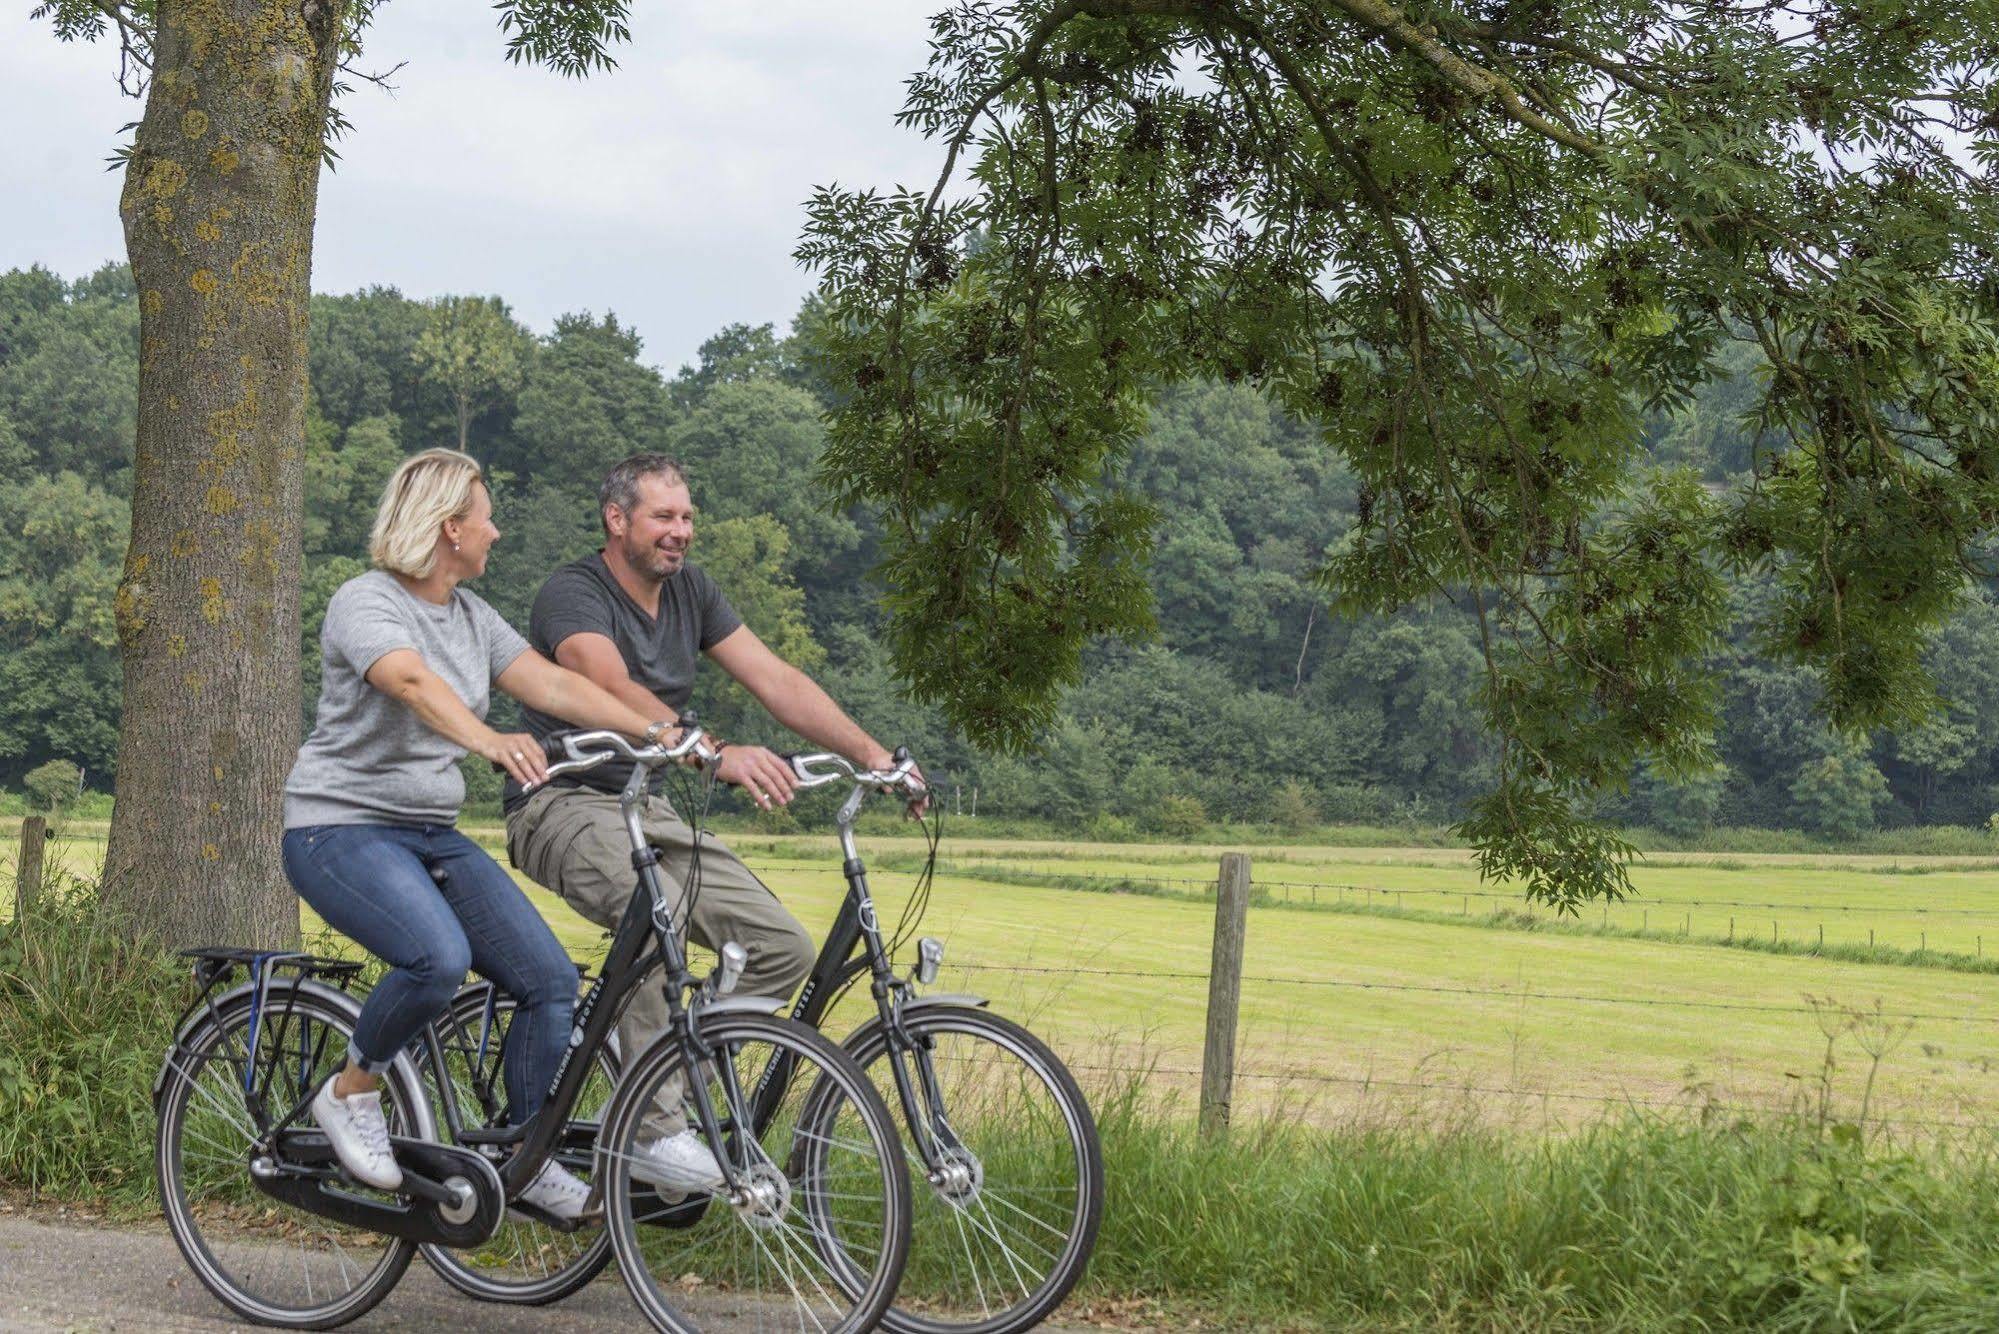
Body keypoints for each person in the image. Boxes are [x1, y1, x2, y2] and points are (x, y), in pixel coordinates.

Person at [506, 453, 925, 1194]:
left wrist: (875, 756)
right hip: (560, 804)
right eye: (663, 517)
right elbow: (607, 683)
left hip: (648, 809)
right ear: (617, 521)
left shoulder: (692, 593)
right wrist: (711, 751)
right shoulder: (574, 592)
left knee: (779, 947)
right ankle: (653, 1130)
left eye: (688, 516)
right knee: (655, 917)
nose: (680, 532)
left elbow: (776, 680)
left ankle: (663, 1074)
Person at [282, 448, 676, 1221]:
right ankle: (349, 1092)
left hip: (429, 833)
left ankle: (522, 1156)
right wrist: (486, 740)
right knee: (437, 960)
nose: (496, 532)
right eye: (486, 518)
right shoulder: (366, 602)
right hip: (340, 828)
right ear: (448, 527)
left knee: (549, 979)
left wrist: (664, 734)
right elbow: (408, 681)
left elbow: (557, 685)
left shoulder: (470, 616)